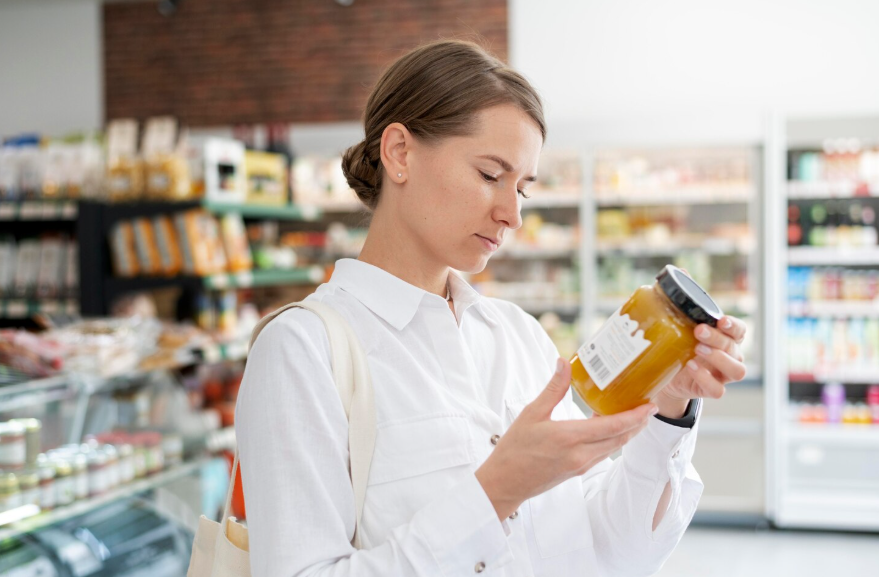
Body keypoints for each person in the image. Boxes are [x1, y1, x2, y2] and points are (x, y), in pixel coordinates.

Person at [236, 39, 747, 576]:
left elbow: (617, 550)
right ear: (400, 153)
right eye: (489, 175)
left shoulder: (516, 335)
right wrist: (495, 493)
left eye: (522, 188)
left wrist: (667, 405)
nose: (511, 214)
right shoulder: (302, 352)